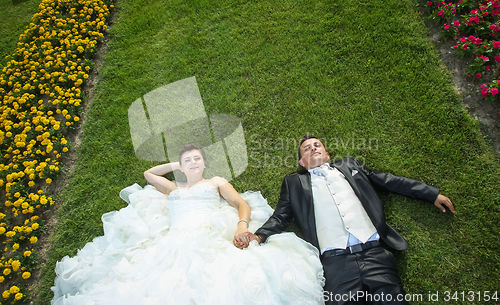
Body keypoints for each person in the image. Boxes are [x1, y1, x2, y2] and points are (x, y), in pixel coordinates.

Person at [51, 143, 325, 305]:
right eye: (188, 160)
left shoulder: (215, 181)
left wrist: (242, 226)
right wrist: (178, 163)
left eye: (198, 159)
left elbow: (241, 204)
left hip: (210, 236)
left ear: (205, 164)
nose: (193, 163)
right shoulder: (173, 188)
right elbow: (148, 174)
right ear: (181, 166)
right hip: (174, 240)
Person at [242, 136, 455, 305]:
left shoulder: (350, 166)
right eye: (306, 149)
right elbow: (281, 216)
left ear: (326, 154)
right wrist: (259, 235)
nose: (313, 148)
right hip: (335, 265)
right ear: (302, 162)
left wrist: (430, 194)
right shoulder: (294, 183)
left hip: (375, 255)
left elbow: (389, 181)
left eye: (317, 145)